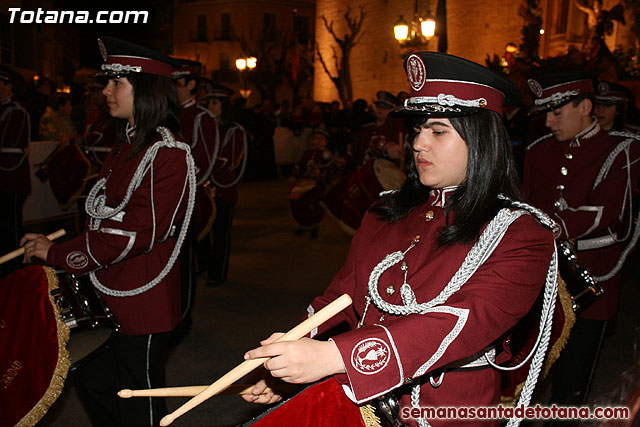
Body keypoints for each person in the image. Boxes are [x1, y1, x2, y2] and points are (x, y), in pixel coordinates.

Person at [243, 52, 557, 427]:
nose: (418, 143)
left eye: (438, 131)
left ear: (482, 140)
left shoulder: (521, 233)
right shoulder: (385, 210)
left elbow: (465, 321)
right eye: (418, 130)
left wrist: (333, 358)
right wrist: (286, 358)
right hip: (354, 400)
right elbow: (339, 301)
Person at [20, 36, 196, 427]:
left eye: (117, 82)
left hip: (142, 297)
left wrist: (58, 252)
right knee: (95, 383)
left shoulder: (168, 152)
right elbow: (105, 214)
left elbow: (137, 232)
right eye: (108, 82)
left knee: (139, 400)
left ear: (146, 88)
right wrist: (59, 247)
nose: (106, 91)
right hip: (104, 288)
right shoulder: (128, 145)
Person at [522, 72, 640, 417]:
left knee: (572, 381)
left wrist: (542, 228)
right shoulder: (536, 151)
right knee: (526, 375)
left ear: (585, 106)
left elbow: (604, 212)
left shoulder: (624, 150)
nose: (548, 121)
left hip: (593, 278)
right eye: (545, 113)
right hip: (540, 280)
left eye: (557, 112)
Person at [200, 80, 247, 286]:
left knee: (221, 233)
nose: (210, 107)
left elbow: (227, 159)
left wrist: (200, 163)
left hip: (222, 187)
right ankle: (204, 265)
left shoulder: (234, 130)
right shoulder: (203, 126)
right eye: (208, 102)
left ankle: (217, 273)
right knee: (200, 231)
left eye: (215, 103)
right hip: (203, 187)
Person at [0, 65, 30, 279]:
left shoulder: (17, 111)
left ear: (8, 85)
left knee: (11, 228)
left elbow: (14, 149)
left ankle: (15, 268)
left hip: (10, 180)